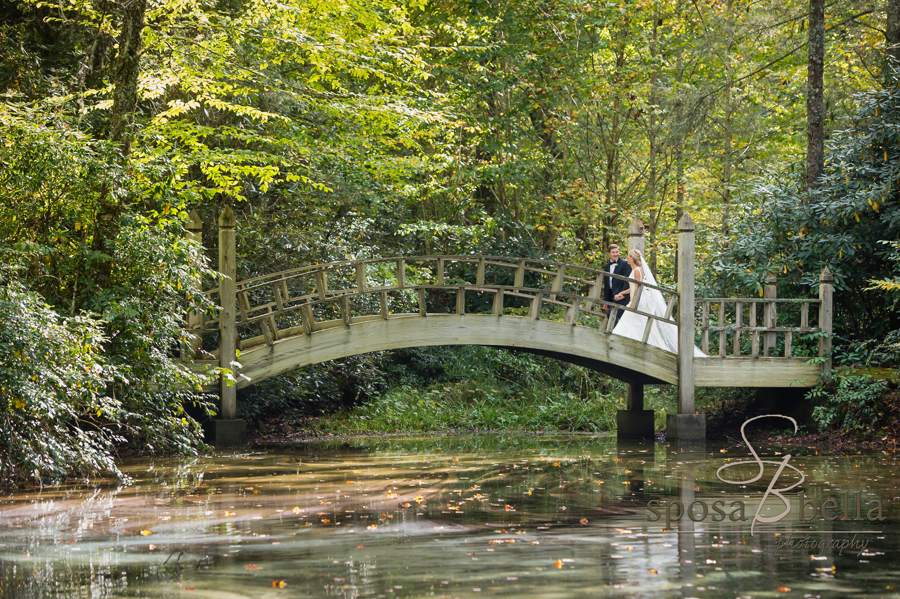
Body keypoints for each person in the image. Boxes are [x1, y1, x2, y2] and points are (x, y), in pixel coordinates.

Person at [612, 249, 705, 356]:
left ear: (632, 258)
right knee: (633, 321)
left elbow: (638, 288)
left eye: (628, 256)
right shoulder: (636, 270)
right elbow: (634, 286)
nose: (626, 258)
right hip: (637, 298)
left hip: (638, 299)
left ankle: (632, 347)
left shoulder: (637, 270)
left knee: (633, 321)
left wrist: (633, 302)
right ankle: (630, 345)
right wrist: (623, 293)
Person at [603, 244, 632, 326]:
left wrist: (623, 294)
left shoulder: (625, 264)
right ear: (609, 253)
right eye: (613, 252)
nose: (616, 254)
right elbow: (607, 284)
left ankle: (618, 333)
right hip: (613, 296)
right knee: (614, 316)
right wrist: (606, 300)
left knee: (611, 315)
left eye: (617, 252)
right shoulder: (607, 266)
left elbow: (628, 281)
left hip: (623, 296)